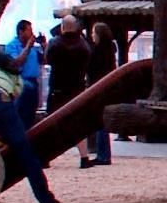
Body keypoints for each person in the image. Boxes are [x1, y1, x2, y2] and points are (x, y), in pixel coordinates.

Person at [0, 49, 61, 203]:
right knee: (27, 157)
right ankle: (46, 201)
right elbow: (17, 92)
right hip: (4, 106)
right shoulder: (11, 74)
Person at [46, 15, 96, 167]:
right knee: (77, 123)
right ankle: (84, 157)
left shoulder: (54, 44)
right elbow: (89, 62)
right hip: (77, 87)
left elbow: (48, 59)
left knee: (52, 122)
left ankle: (46, 156)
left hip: (58, 86)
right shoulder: (84, 46)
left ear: (62, 27)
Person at [85, 22, 118, 165]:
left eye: (93, 33)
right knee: (102, 121)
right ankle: (104, 153)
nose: (92, 35)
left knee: (100, 122)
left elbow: (90, 69)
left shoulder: (96, 51)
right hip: (108, 88)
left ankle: (102, 155)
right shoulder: (111, 49)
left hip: (97, 87)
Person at [4, 20, 46, 129]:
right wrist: (27, 47)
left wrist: (44, 46)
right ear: (21, 32)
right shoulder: (12, 46)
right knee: (19, 114)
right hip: (20, 83)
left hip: (34, 84)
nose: (32, 33)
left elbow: (44, 60)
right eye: (29, 30)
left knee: (31, 115)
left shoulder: (32, 49)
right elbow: (16, 63)